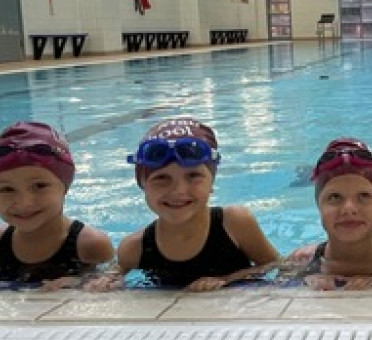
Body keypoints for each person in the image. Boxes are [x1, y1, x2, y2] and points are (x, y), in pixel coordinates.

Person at [113, 117, 280, 291]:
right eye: (161, 178)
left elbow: (279, 266)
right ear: (143, 186)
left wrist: (228, 279)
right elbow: (115, 271)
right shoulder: (134, 247)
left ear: (211, 183)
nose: (178, 191)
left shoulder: (234, 223)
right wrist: (109, 280)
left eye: (193, 176)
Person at [0, 121, 113, 287]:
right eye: (7, 189)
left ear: (65, 187)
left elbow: (112, 283)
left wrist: (80, 282)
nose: (24, 203)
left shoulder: (91, 245)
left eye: (40, 186)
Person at [281, 138, 372, 290]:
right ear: (319, 206)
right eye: (335, 197)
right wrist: (302, 284)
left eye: (364, 196)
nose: (349, 209)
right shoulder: (300, 261)